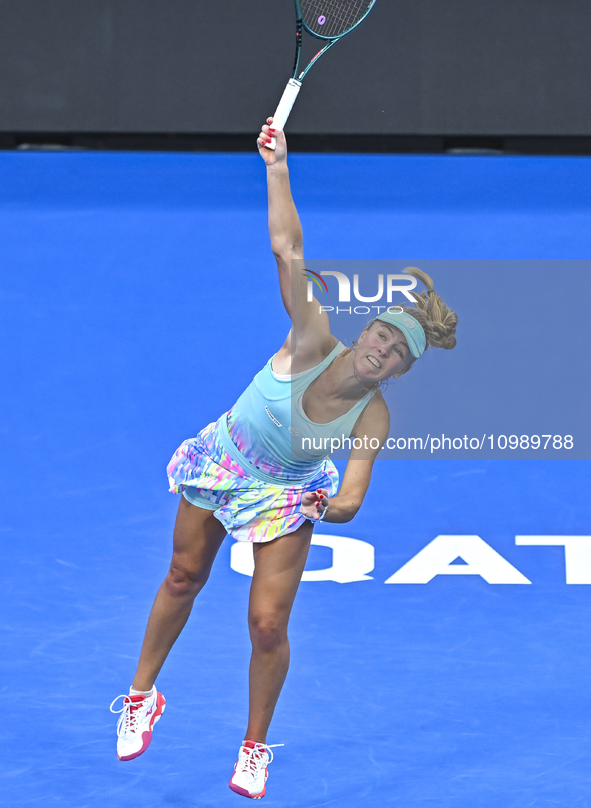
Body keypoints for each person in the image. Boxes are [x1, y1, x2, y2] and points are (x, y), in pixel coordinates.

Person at [110, 119, 458, 800]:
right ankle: (141, 695)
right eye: (380, 334)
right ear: (368, 329)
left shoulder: (373, 415)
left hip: (288, 492)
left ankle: (254, 746)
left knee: (267, 624)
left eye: (393, 353)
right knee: (183, 576)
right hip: (224, 460)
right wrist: (276, 166)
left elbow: (354, 493)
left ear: (401, 370)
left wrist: (335, 506)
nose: (378, 350)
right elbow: (286, 248)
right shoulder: (312, 337)